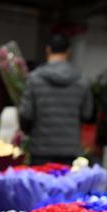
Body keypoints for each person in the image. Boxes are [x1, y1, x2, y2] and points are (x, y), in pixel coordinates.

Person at [18, 34, 93, 165]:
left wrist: (29, 131)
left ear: (47, 49)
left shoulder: (34, 78)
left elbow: (25, 114)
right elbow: (87, 114)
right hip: (71, 150)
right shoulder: (82, 80)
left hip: (40, 150)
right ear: (69, 51)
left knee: (41, 185)